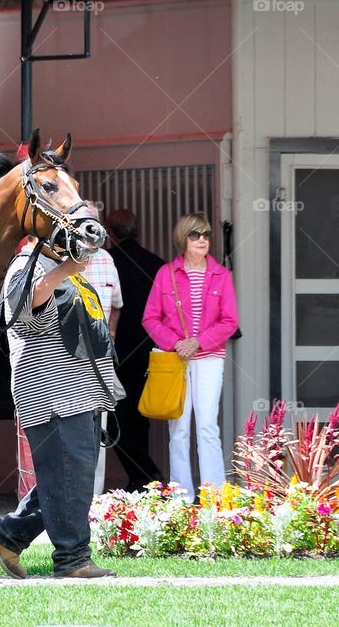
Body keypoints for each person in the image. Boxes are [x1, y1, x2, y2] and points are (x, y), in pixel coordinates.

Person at [0, 236, 117, 579]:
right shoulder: (26, 264)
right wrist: (64, 270)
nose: (75, 239)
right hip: (52, 393)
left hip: (80, 392)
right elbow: (25, 305)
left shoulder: (61, 268)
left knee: (65, 476)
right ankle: (72, 559)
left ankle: (8, 536)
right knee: (69, 475)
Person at [142, 212, 239, 500]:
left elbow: (229, 321)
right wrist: (175, 343)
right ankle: (181, 499)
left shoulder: (221, 275)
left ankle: (215, 498)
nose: (202, 240)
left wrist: (197, 342)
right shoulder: (166, 274)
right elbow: (150, 318)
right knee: (179, 430)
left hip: (209, 359)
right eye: (195, 235)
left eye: (206, 235)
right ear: (183, 239)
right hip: (175, 361)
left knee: (208, 427)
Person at [105, 209, 166, 492]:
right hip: (148, 351)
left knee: (115, 417)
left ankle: (145, 475)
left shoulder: (108, 263)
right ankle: (142, 478)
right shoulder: (156, 264)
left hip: (114, 352)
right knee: (139, 417)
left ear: (110, 233)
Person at [80, 222, 123, 495]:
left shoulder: (107, 259)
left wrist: (111, 336)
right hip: (68, 360)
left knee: (99, 429)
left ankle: (94, 499)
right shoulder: (59, 257)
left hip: (101, 358)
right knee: (73, 428)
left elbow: (117, 306)